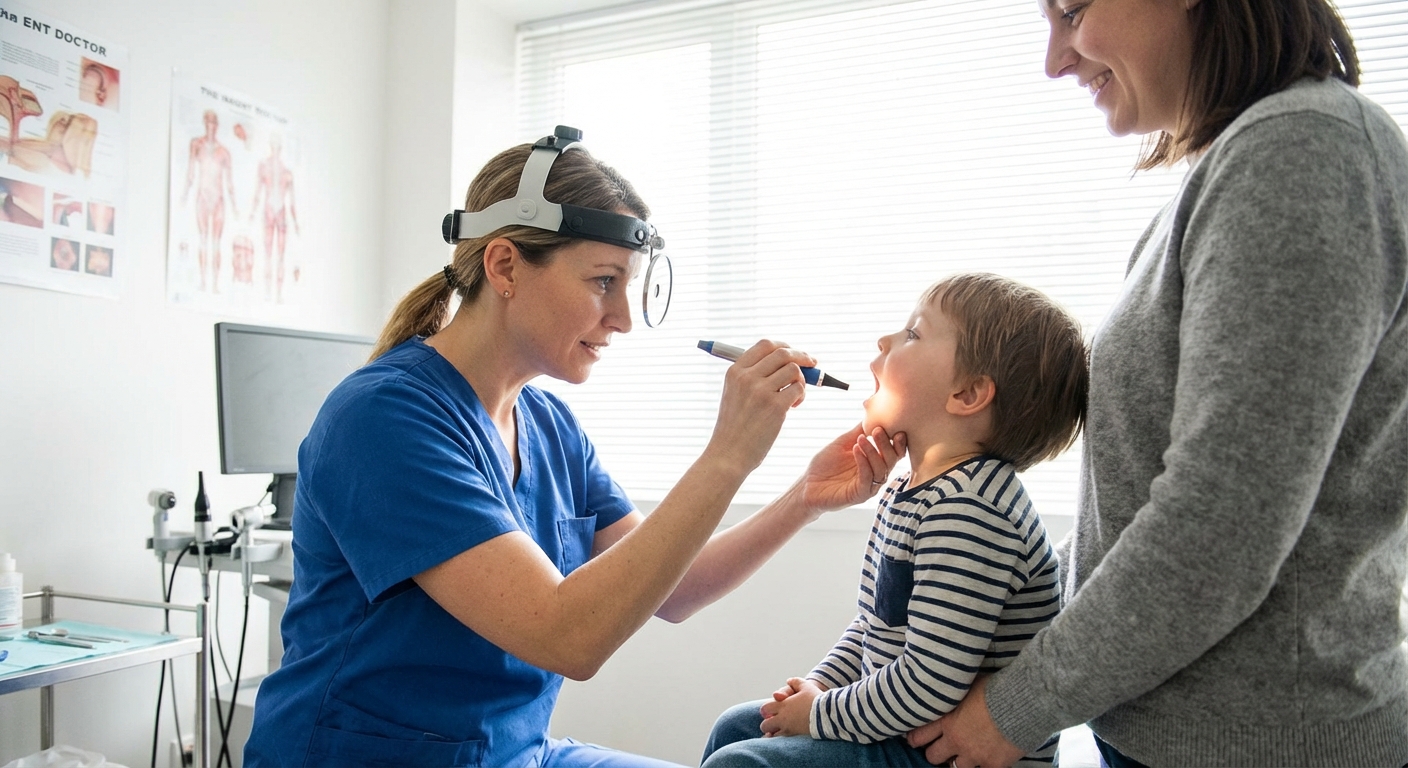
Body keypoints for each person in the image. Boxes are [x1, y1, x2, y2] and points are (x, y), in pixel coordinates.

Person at [243, 136, 907, 768]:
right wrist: (728, 455)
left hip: (513, 753)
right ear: (504, 265)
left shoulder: (548, 423)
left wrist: (803, 501)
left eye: (631, 287)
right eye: (602, 282)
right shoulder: (385, 418)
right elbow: (566, 637)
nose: (621, 317)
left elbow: (671, 591)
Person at [909, 1, 1408, 766]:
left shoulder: (1302, 148)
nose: (1057, 58)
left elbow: (1220, 521)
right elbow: (1139, 498)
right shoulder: (1226, 175)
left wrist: (1013, 708)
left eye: (1073, 11)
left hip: (1268, 745)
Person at [700, 273, 1087, 768]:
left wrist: (819, 714)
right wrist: (821, 683)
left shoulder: (971, 508)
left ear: (968, 394)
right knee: (736, 727)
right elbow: (875, 627)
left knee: (744, 764)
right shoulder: (912, 492)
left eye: (913, 334)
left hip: (945, 752)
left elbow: (929, 682)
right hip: (905, 735)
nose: (884, 341)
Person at [182, 110, 237, 293]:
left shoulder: (224, 152)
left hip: (219, 198)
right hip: (203, 196)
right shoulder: (196, 145)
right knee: (203, 239)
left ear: (217, 125)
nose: (211, 126)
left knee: (216, 242)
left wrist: (236, 208)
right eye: (208, 122)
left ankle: (215, 284)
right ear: (204, 123)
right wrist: (184, 196)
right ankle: (203, 281)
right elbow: (190, 174)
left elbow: (229, 184)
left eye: (214, 122)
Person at [248, 133, 299, 301]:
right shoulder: (264, 167)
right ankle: (269, 294)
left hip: (279, 211)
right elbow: (257, 192)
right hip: (270, 209)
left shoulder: (287, 173)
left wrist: (297, 224)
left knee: (280, 256)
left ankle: (277, 295)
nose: (275, 148)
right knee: (269, 255)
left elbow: (292, 202)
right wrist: (252, 214)